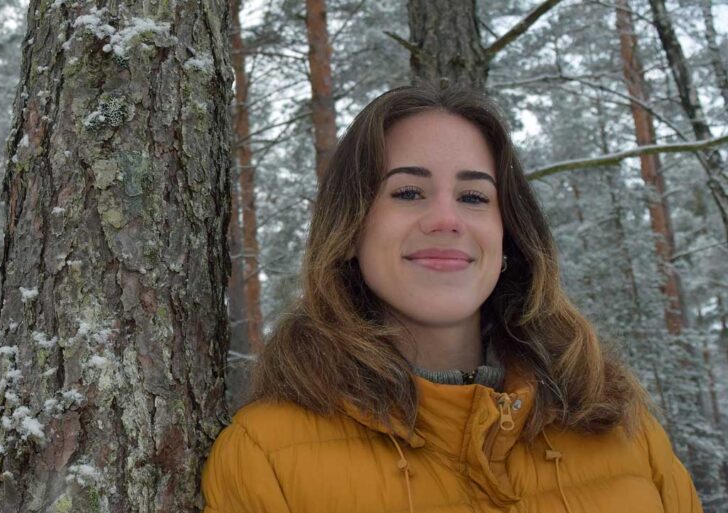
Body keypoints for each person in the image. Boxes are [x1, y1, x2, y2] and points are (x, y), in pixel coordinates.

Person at [200, 83, 703, 513]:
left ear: (507, 238)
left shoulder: (622, 427)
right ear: (350, 230)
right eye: (408, 192)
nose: (446, 219)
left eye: (473, 197)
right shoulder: (263, 456)